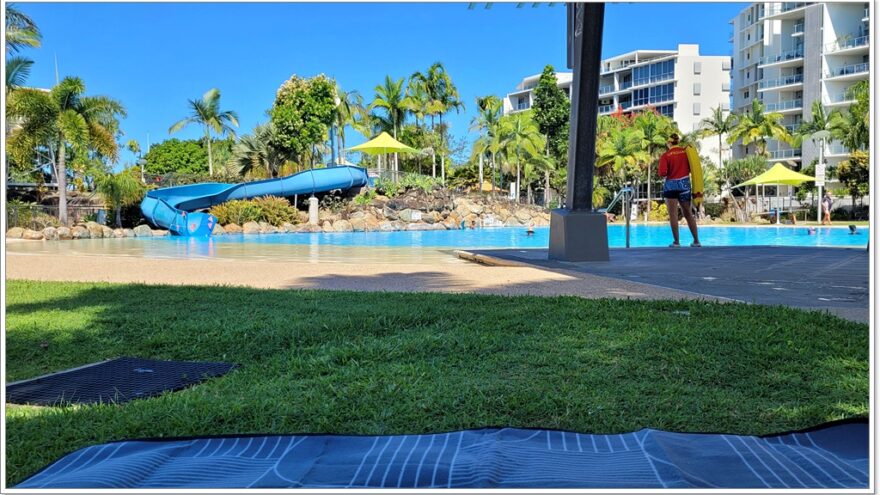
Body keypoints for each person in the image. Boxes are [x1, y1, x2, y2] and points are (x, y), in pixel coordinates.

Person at [658, 134, 701, 247]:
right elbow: (694, 168)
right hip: (684, 185)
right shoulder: (686, 153)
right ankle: (696, 241)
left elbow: (662, 173)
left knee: (673, 215)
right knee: (688, 213)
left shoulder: (666, 155)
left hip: (671, 186)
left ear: (669, 143)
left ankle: (676, 242)